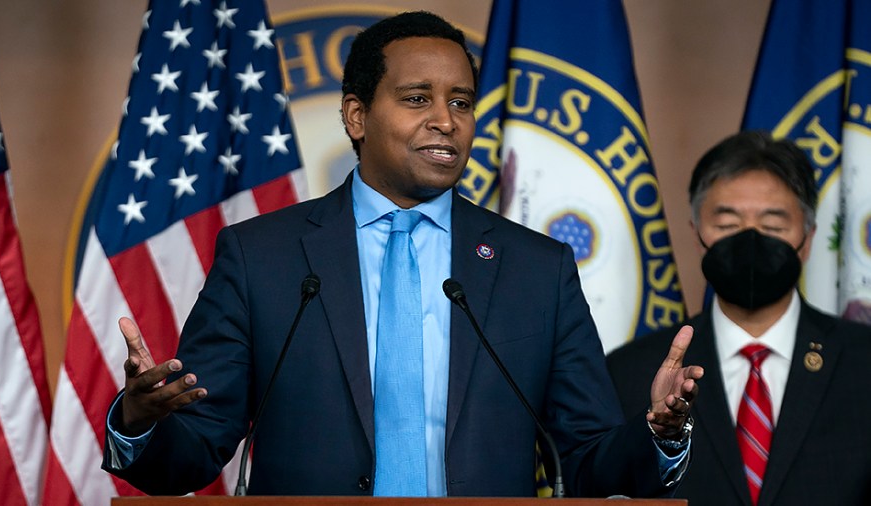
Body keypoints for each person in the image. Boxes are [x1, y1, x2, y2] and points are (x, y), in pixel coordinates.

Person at [102, 11, 703, 497]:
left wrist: (658, 435)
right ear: (357, 116)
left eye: (462, 103)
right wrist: (139, 421)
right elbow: (193, 452)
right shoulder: (262, 257)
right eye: (418, 99)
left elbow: (592, 459)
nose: (446, 121)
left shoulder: (536, 269)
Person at [607, 131, 871, 505]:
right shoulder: (628, 372)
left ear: (808, 238)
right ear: (697, 234)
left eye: (774, 226)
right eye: (728, 225)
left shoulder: (863, 363)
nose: (751, 239)